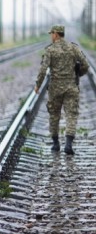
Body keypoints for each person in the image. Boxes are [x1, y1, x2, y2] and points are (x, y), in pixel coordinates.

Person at [34, 25, 88, 154]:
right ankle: (68, 145)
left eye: (51, 34)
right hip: (71, 87)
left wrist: (38, 85)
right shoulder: (73, 48)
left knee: (54, 115)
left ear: (56, 34)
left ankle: (55, 144)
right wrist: (78, 74)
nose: (51, 36)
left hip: (55, 88)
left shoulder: (50, 50)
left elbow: (43, 70)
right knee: (71, 115)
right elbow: (85, 65)